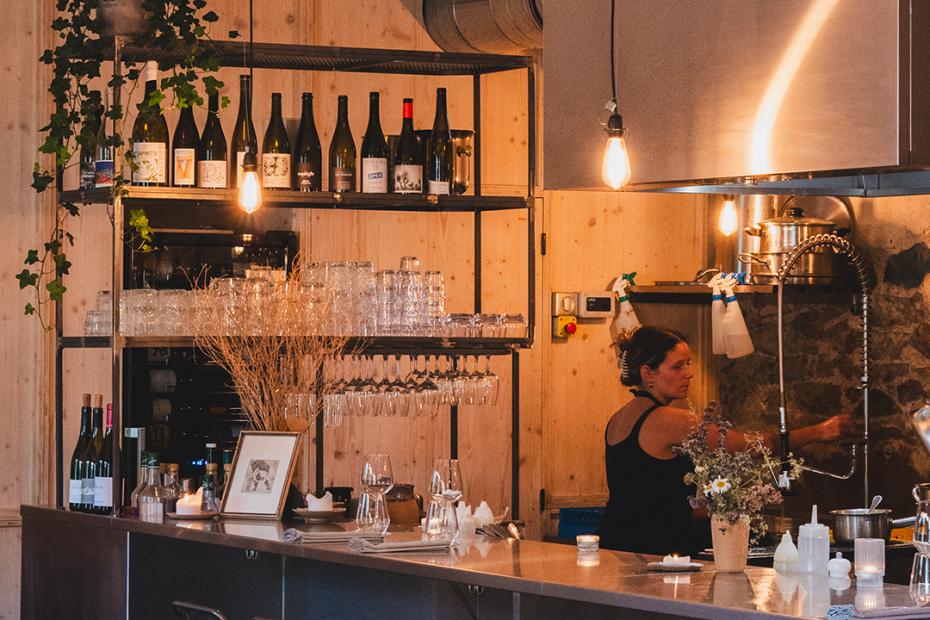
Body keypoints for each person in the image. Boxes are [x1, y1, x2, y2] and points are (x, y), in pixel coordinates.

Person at [597, 325, 855, 556]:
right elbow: (747, 447)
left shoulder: (620, 418)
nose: (689, 373)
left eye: (688, 363)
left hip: (617, 543)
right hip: (655, 549)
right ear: (647, 373)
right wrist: (819, 432)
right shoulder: (669, 419)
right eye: (678, 366)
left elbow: (648, 500)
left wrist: (719, 509)